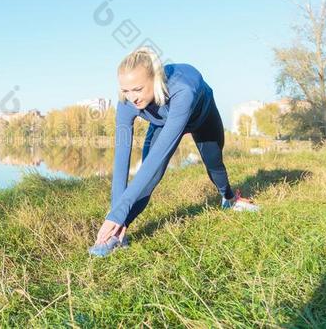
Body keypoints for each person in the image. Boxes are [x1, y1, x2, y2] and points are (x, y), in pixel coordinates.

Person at [89, 48, 259, 257]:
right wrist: (117, 215)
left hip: (202, 117)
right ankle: (116, 236)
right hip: (163, 123)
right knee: (150, 175)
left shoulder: (183, 90)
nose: (131, 97)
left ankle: (229, 198)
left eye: (138, 89)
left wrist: (117, 214)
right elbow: (121, 161)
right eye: (125, 90)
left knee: (214, 163)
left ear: (156, 79)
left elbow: (161, 155)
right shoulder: (126, 102)